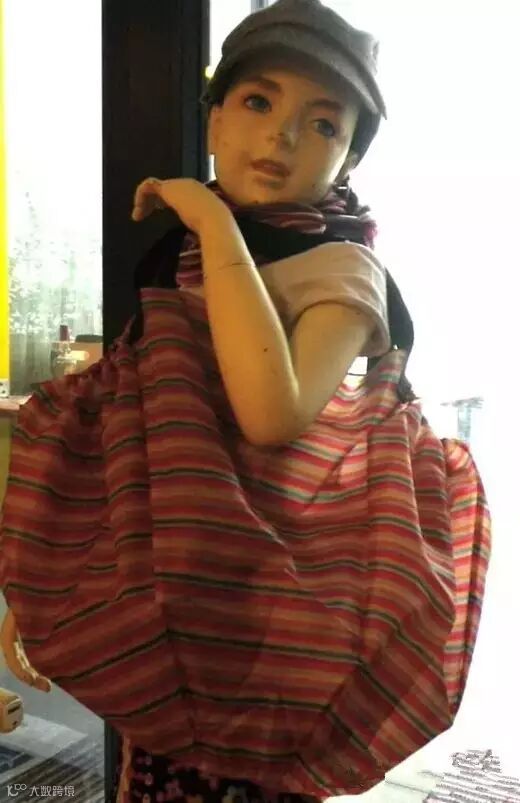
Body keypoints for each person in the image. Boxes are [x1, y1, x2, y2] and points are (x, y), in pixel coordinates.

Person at [0, 1, 491, 802]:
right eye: (259, 101)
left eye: (324, 124)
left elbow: (271, 412)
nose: (282, 136)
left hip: (271, 637)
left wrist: (208, 216)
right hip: (173, 613)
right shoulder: (186, 260)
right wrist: (42, 583)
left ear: (349, 157)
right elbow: (128, 429)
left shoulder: (339, 268)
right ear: (215, 115)